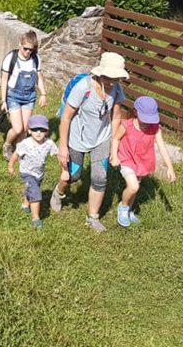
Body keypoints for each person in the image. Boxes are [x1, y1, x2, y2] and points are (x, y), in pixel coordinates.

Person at [50, 52, 128, 232]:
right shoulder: (84, 88)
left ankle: (92, 217)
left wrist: (113, 146)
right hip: (77, 139)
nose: (111, 82)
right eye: (108, 77)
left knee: (100, 178)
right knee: (73, 176)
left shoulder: (116, 90)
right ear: (100, 73)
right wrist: (63, 147)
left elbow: (116, 117)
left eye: (116, 78)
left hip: (101, 138)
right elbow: (66, 118)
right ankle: (58, 192)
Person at [111, 96, 176, 227]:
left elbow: (162, 147)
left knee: (135, 188)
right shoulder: (127, 125)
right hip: (127, 159)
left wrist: (170, 167)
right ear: (135, 112)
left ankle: (129, 209)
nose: (147, 122)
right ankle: (123, 207)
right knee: (133, 186)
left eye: (150, 119)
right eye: (145, 118)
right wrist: (114, 156)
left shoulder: (155, 128)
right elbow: (115, 139)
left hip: (142, 162)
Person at [0, 31, 48, 160]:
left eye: (30, 50)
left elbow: (39, 78)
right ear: (20, 45)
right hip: (13, 96)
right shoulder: (11, 57)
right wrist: (3, 100)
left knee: (25, 128)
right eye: (25, 48)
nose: (27, 52)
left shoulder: (36, 59)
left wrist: (43, 94)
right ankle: (7, 144)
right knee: (17, 128)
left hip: (29, 97)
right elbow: (4, 79)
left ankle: (20, 152)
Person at [8, 115, 58, 230]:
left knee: (31, 189)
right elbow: (16, 154)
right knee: (36, 194)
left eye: (42, 130)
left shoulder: (49, 143)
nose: (39, 132)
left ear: (47, 131)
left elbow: (58, 154)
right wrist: (11, 165)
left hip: (39, 174)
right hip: (26, 173)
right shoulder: (26, 143)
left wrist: (64, 165)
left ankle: (25, 204)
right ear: (29, 130)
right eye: (35, 129)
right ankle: (35, 218)